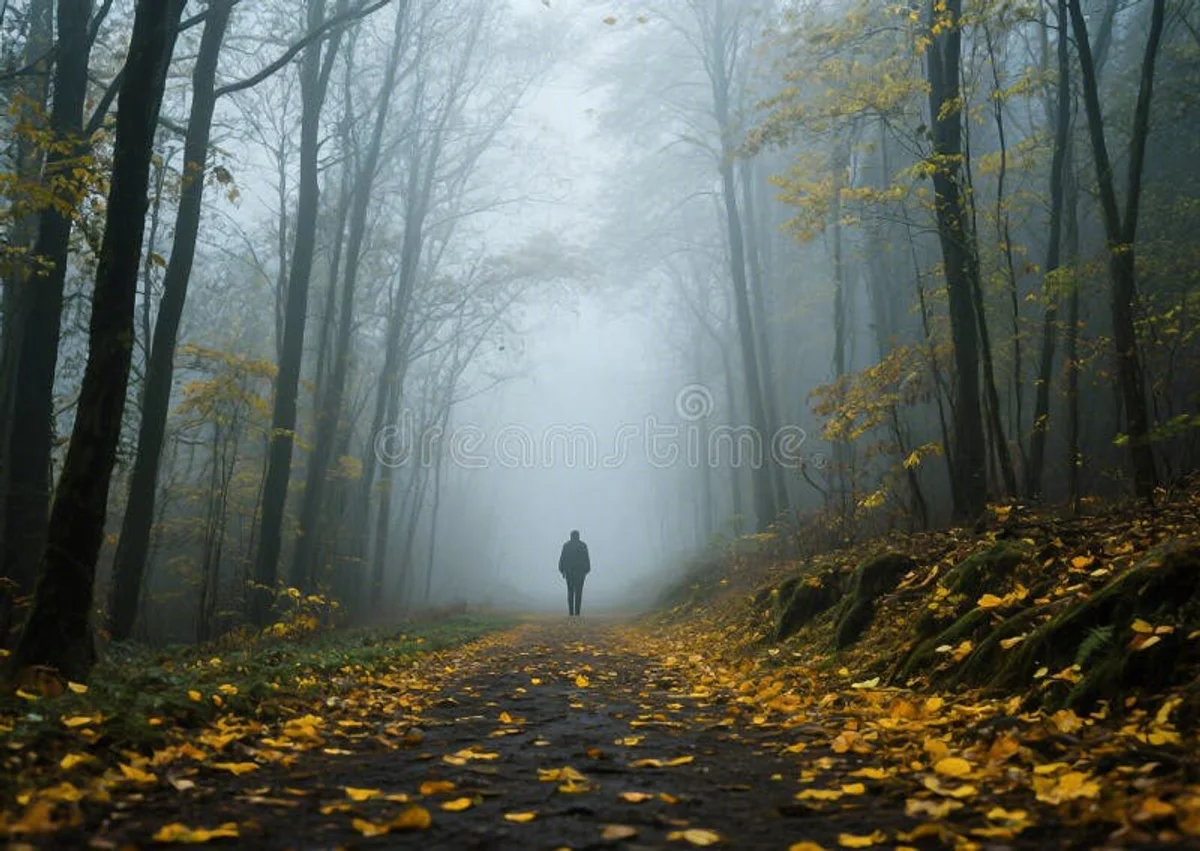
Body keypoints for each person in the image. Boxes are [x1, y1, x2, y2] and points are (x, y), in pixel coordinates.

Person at [558, 530, 590, 616]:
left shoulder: (566, 546)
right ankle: (577, 613)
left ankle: (571, 612)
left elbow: (562, 559)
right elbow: (586, 559)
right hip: (580, 573)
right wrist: (586, 571)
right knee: (579, 593)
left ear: (570, 536)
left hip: (569, 572)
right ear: (578, 536)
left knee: (570, 592)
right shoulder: (583, 545)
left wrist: (562, 570)